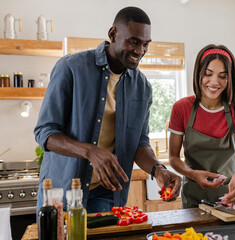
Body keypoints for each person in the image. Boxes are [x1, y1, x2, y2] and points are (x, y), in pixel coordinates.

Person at [34, 6, 181, 213]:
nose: (140, 51)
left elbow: (139, 143)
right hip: (63, 191)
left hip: (107, 192)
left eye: (145, 44)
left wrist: (158, 170)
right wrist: (90, 152)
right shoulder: (71, 68)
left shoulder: (142, 88)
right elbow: (45, 132)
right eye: (133, 41)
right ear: (113, 34)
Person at [168, 44, 235, 208]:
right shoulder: (181, 108)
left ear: (230, 78)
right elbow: (173, 157)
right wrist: (192, 174)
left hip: (229, 198)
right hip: (193, 200)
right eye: (208, 74)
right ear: (198, 74)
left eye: (223, 76)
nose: (214, 82)